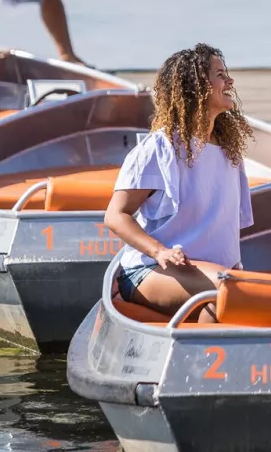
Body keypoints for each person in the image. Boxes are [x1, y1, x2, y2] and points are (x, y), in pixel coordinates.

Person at [104, 44, 254, 318]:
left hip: (215, 275)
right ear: (195, 86)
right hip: (152, 270)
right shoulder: (159, 149)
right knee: (227, 292)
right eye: (220, 74)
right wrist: (159, 251)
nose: (230, 81)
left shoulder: (229, 153)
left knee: (232, 294)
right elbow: (116, 215)